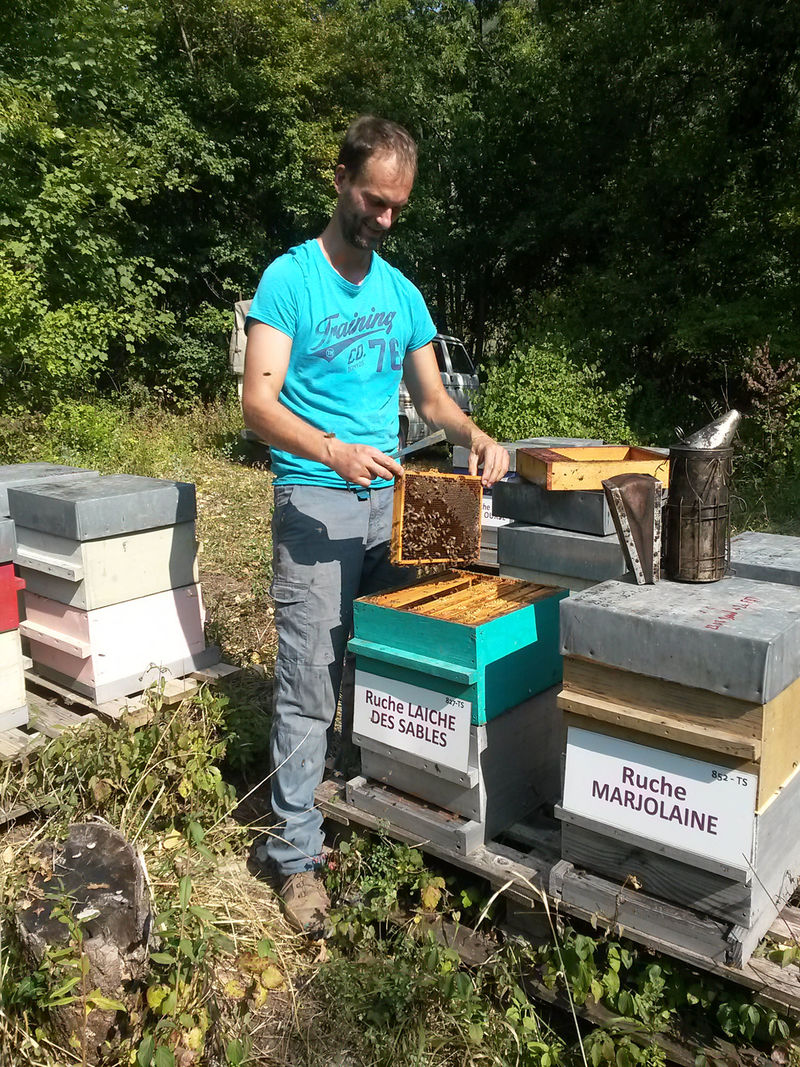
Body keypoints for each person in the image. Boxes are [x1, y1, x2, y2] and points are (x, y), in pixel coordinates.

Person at [242, 115, 509, 934]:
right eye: (373, 199)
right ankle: (294, 853)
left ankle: (367, 792)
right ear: (339, 178)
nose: (384, 218)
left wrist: (476, 435)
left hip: (391, 499)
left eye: (398, 207)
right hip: (315, 497)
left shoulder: (401, 293)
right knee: (308, 676)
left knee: (397, 652)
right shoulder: (289, 279)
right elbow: (256, 403)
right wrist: (331, 450)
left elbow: (430, 401)